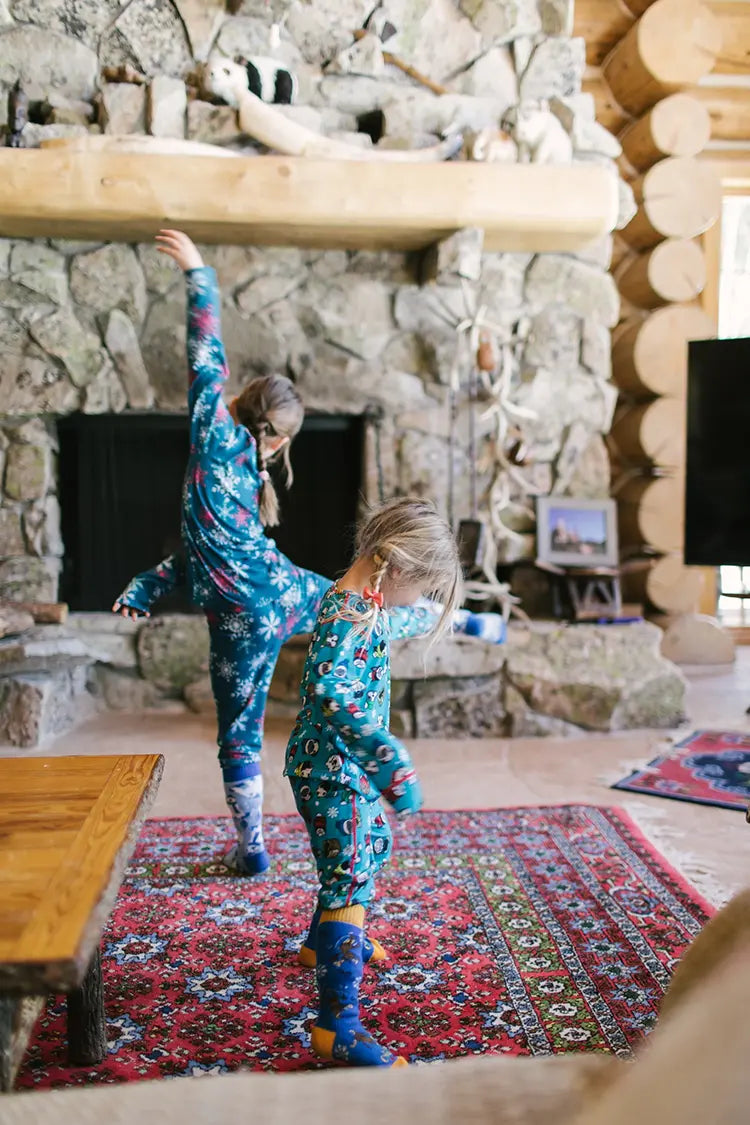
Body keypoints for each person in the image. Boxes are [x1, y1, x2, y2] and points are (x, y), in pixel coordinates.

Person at [112, 231, 449, 877]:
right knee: (353, 603)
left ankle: (252, 846)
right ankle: (444, 615)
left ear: (238, 405)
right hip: (279, 587)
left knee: (240, 730)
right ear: (275, 438)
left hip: (240, 616)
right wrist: (150, 584)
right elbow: (207, 554)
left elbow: (203, 352)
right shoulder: (248, 462)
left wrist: (199, 273)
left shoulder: (213, 427)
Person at [285, 496, 462, 1068]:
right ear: (397, 565)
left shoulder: (367, 601)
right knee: (351, 876)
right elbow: (329, 693)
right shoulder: (346, 614)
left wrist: (473, 618)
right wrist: (390, 760)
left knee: (357, 852)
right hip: (333, 771)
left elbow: (403, 615)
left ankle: (320, 944)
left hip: (339, 768)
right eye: (421, 589)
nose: (418, 604)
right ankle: (338, 1025)